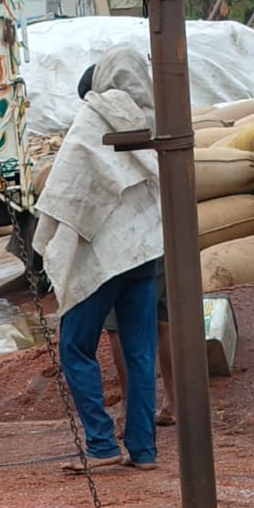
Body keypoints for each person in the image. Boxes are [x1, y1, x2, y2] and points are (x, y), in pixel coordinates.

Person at [35, 44, 163, 472]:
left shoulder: (93, 117)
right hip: (143, 252)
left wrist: (50, 238)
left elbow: (68, 188)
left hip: (101, 257)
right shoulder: (156, 117)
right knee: (141, 353)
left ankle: (102, 444)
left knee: (75, 348)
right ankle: (143, 451)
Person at [77, 67, 177, 428]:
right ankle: (173, 402)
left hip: (128, 246)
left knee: (119, 327)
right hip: (162, 232)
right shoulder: (154, 116)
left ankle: (134, 412)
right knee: (164, 321)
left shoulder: (107, 129)